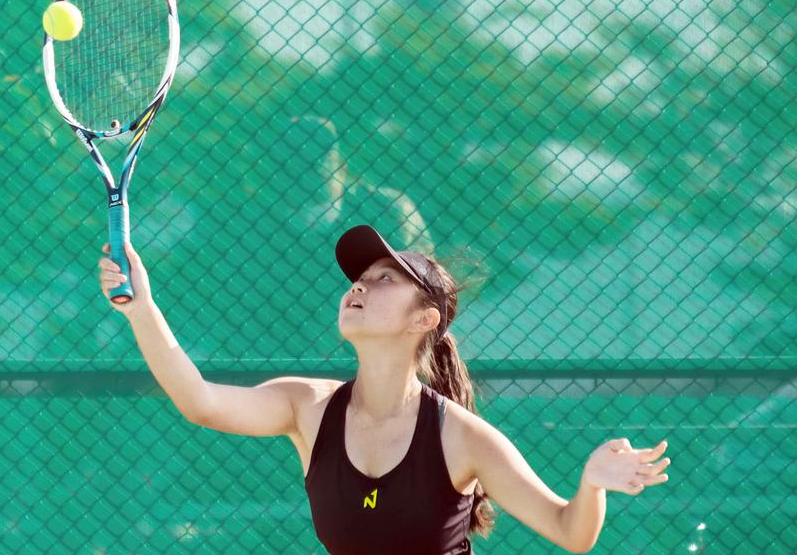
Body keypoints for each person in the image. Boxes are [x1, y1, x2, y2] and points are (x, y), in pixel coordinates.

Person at [97, 224, 671, 554]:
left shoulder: (464, 438)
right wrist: (141, 308)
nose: (359, 287)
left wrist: (592, 484)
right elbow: (200, 401)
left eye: (383, 279)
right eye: (357, 279)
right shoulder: (308, 406)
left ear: (424, 320)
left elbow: (571, 532)